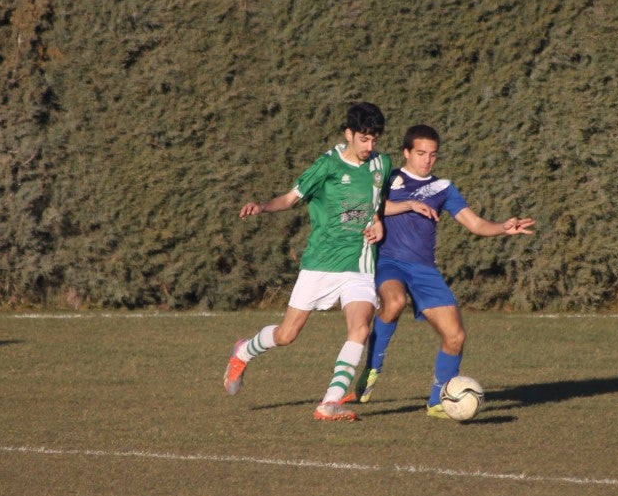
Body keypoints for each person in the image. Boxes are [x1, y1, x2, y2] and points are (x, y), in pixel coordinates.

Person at [348, 124, 534, 417]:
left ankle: (437, 401)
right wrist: (400, 206)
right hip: (388, 261)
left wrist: (502, 228)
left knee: (456, 336)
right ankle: (372, 367)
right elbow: (366, 206)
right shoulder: (386, 177)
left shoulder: (443, 188)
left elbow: (474, 224)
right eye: (421, 153)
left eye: (433, 155)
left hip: (424, 270)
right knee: (394, 302)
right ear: (406, 152)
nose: (427, 160)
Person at [222, 102, 391, 422]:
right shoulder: (327, 165)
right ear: (349, 134)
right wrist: (261, 207)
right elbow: (291, 198)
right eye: (364, 139)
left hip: (359, 263)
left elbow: (378, 202)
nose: (370, 147)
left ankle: (330, 403)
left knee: (360, 327)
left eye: (375, 140)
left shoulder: (382, 164)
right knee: (287, 335)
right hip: (320, 263)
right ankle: (243, 351)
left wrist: (379, 220)